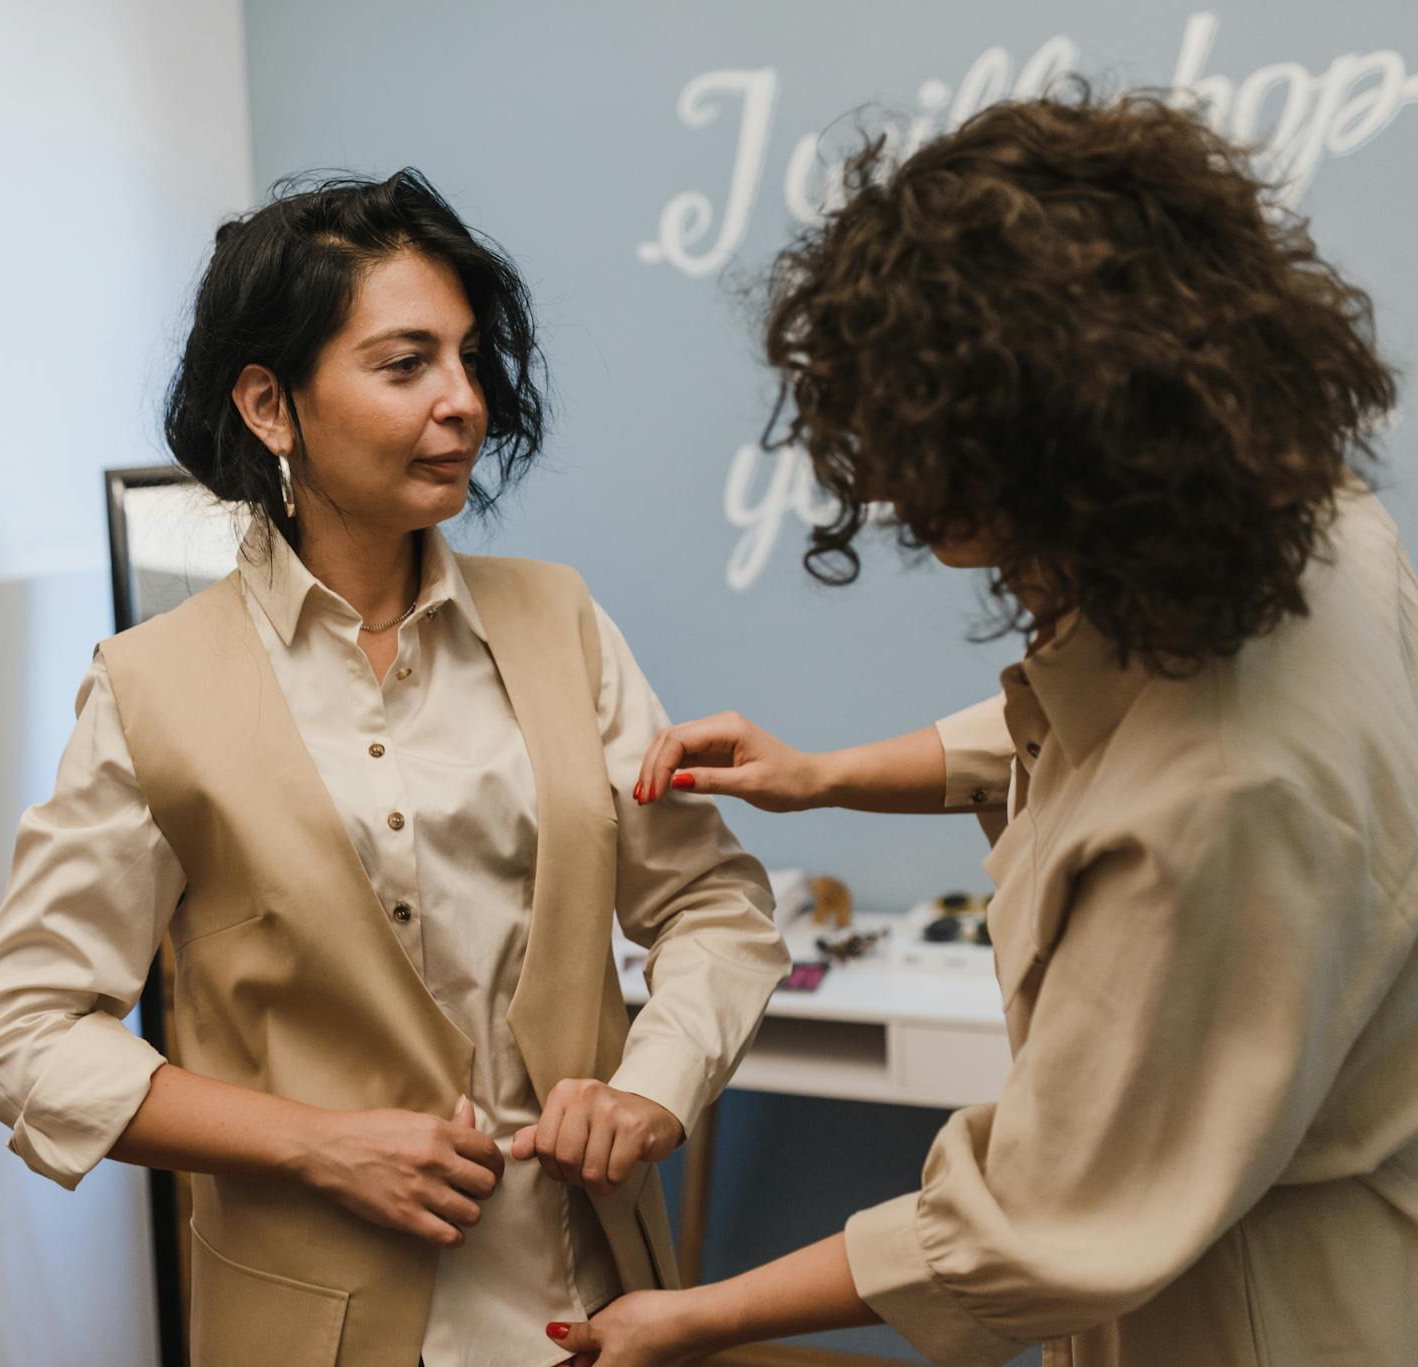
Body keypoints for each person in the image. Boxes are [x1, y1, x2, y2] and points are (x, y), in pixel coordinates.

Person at [553, 87, 1416, 1367]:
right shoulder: (1309, 532)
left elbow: (1028, 1216)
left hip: (1254, 1316)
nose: (893, 496)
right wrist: (828, 772)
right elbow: (1098, 724)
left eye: (917, 473)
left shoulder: (1223, 797)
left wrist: (695, 1313)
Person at [0, 170, 790, 1367]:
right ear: (269, 404)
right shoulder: (149, 686)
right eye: (406, 365)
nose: (463, 402)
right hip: (307, 1325)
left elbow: (710, 901)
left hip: (590, 1303)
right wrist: (311, 1141)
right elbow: (20, 1029)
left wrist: (653, 1085)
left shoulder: (560, 622)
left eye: (466, 358)